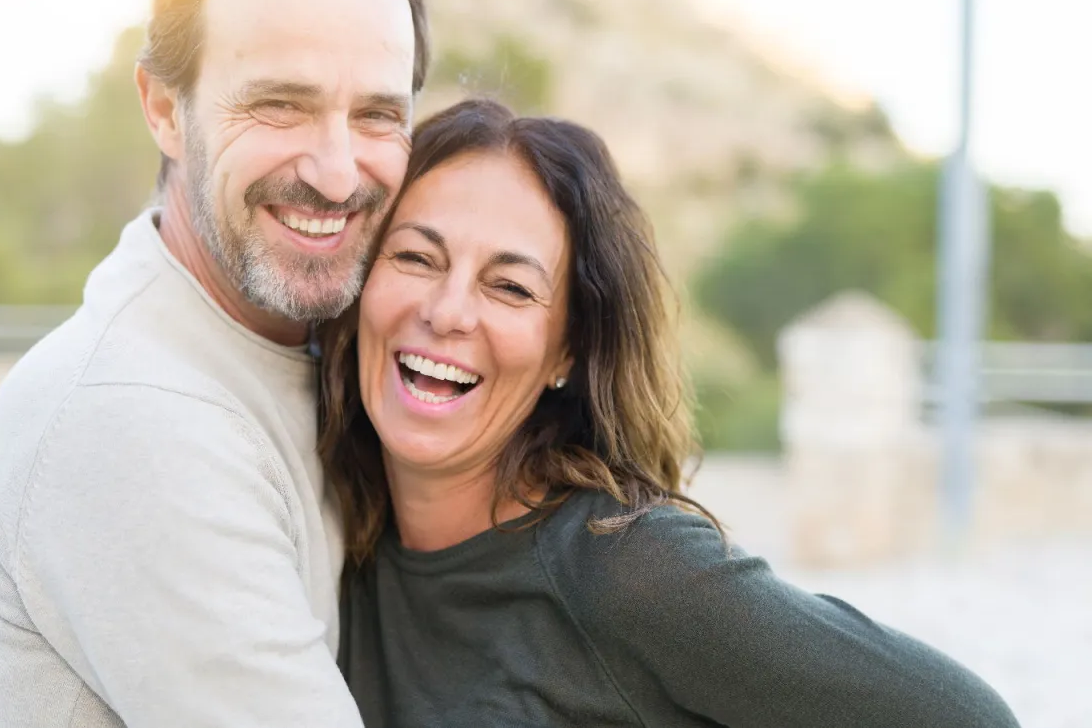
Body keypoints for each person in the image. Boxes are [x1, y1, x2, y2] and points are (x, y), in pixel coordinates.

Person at [323, 99, 1022, 728]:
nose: (446, 311)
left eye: (509, 286)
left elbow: (966, 717)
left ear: (568, 349)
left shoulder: (629, 568)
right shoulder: (324, 533)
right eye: (416, 257)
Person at [0, 0, 429, 725]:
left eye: (378, 114)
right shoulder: (130, 415)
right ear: (165, 109)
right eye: (281, 105)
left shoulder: (323, 349)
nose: (337, 172)